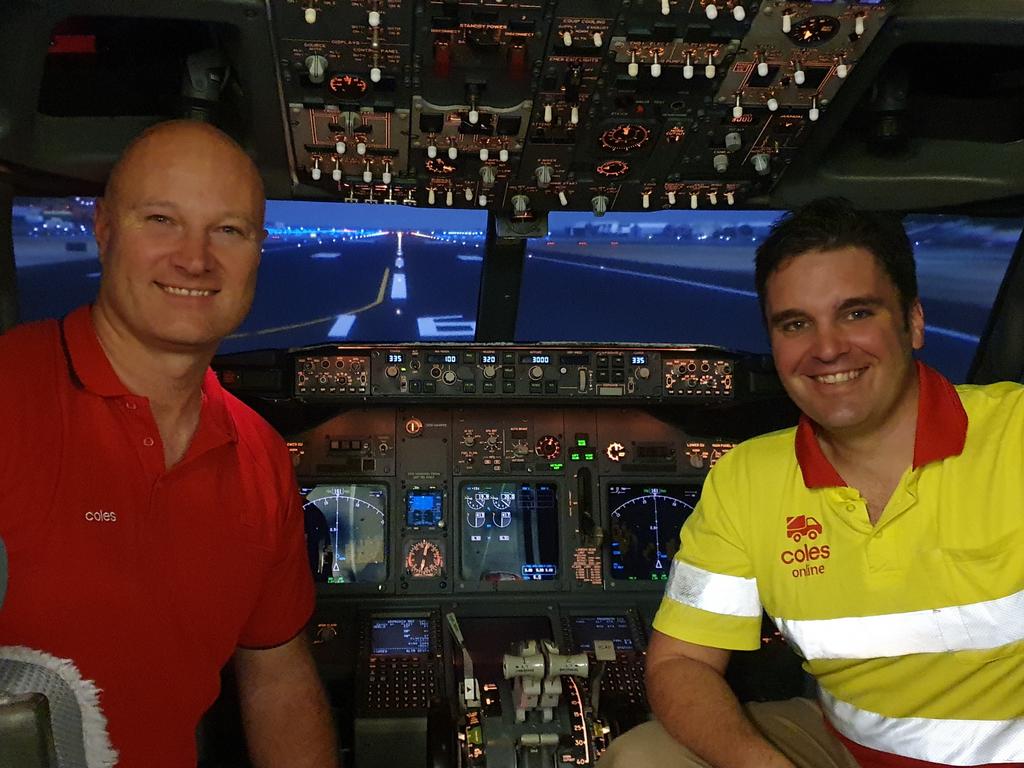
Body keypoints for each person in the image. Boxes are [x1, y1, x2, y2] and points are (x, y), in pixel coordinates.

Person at [599, 198, 1024, 768]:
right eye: (796, 324)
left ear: (913, 322)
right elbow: (682, 663)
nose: (827, 349)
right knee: (644, 757)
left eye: (856, 314)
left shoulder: (1013, 433)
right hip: (849, 750)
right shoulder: (749, 479)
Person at [0, 121, 338, 767]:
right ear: (103, 230)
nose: (194, 259)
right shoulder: (8, 395)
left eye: (229, 230)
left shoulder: (260, 455)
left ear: (257, 250)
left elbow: (277, 680)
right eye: (161, 220)